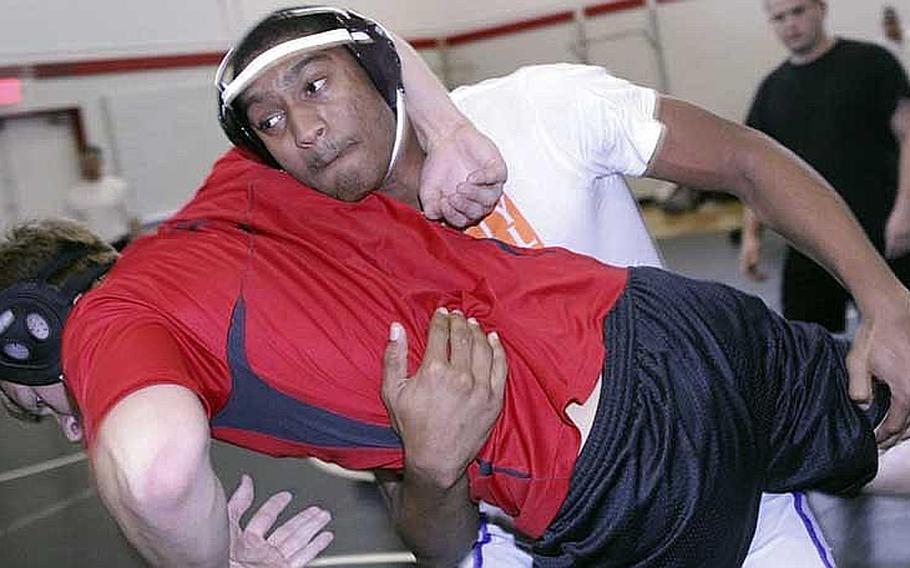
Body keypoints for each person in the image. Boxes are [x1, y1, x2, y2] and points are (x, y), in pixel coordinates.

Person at [5, 5, 910, 566]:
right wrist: (433, 461)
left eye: (318, 88)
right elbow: (436, 539)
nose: (304, 132)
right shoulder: (268, 221)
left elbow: (745, 160)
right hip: (621, 421)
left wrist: (887, 297)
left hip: (639, 414)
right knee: (876, 426)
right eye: (273, 122)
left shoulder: (540, 110)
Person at [742, 0, 910, 335]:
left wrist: (906, 211)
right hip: (811, 243)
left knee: (899, 338)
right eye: (779, 18)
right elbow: (753, 168)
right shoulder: (772, 90)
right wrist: (751, 236)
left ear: (821, 8)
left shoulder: (871, 63)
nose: (790, 24)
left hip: (884, 233)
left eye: (799, 11)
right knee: (807, 347)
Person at [65, 145, 141, 251]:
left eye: (92, 161)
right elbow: (73, 228)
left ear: (100, 162)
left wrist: (138, 246)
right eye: (85, 163)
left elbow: (133, 219)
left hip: (122, 243)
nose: (89, 166)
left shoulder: (118, 186)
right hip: (94, 248)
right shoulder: (74, 195)